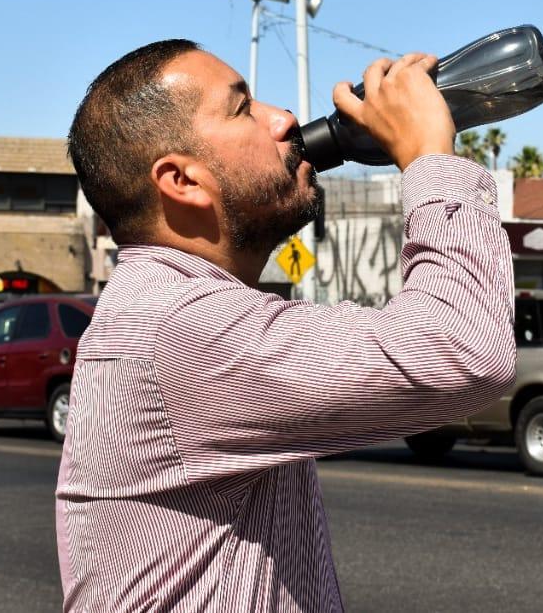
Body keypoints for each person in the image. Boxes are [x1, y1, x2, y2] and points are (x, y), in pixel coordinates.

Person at [57, 38, 516, 611]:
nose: (285, 119)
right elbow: (463, 349)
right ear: (182, 181)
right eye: (243, 107)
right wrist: (430, 159)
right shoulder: (178, 325)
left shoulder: (170, 309)